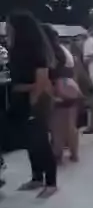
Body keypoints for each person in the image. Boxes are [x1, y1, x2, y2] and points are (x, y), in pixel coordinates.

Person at [7, 11, 58, 197]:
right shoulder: (15, 50)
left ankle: (51, 182)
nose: (7, 29)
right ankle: (37, 177)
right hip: (22, 99)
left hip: (36, 100)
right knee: (30, 142)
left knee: (41, 141)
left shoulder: (37, 51)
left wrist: (31, 103)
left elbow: (41, 82)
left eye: (9, 26)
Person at [42, 25, 81, 164]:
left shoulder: (48, 52)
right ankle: (74, 154)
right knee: (71, 124)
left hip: (56, 89)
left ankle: (57, 155)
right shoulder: (64, 50)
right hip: (70, 87)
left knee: (56, 126)